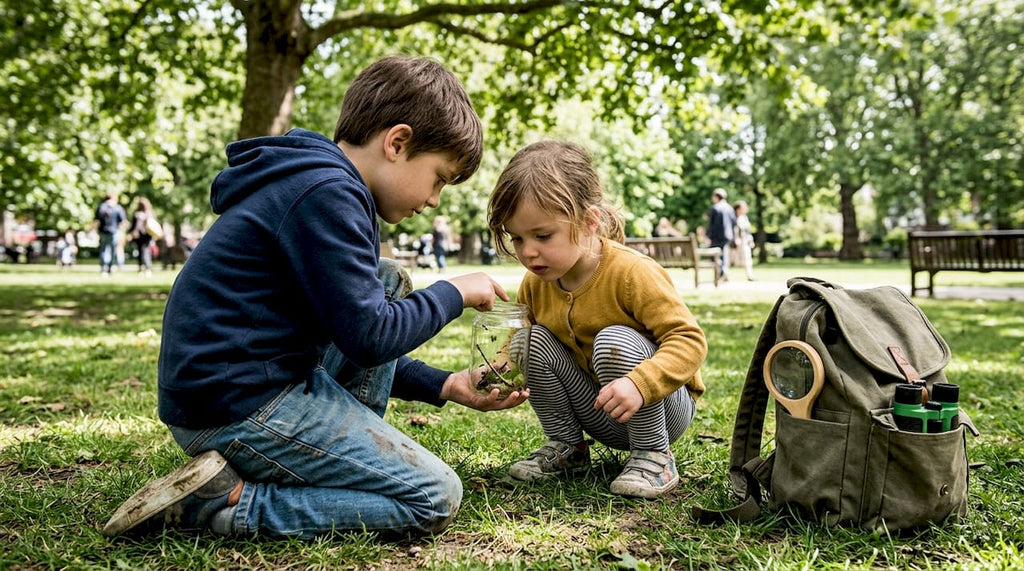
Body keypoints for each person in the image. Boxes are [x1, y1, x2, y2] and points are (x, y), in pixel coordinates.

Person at [102, 55, 529, 541]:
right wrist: (452, 293)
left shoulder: (322, 181)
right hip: (234, 404)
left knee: (385, 279)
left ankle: (326, 460)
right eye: (439, 178)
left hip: (244, 384)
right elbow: (370, 337)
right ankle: (224, 504)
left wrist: (445, 385)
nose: (434, 200)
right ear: (398, 142)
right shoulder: (327, 192)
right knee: (433, 496)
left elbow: (352, 330)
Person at [487, 141, 708, 498]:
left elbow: (690, 341)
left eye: (543, 236)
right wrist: (498, 367)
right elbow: (517, 344)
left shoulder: (631, 273)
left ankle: (654, 456)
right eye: (517, 238)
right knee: (531, 340)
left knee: (614, 342)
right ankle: (567, 448)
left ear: (590, 222)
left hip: (662, 409)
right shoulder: (536, 283)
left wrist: (640, 383)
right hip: (600, 409)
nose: (528, 252)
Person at [93, 192, 127, 276]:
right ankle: (109, 268)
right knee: (112, 251)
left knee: (103, 250)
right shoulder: (117, 208)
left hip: (102, 231)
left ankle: (103, 268)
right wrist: (121, 231)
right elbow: (123, 222)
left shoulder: (101, 207)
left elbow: (96, 221)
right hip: (113, 232)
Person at [705, 188, 736, 281]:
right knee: (723, 254)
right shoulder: (730, 208)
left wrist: (708, 236)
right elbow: (734, 222)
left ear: (716, 197)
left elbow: (711, 224)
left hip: (716, 236)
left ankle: (721, 272)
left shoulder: (715, 208)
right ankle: (724, 272)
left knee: (715, 256)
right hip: (727, 236)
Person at [129, 197, 156, 276]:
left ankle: (141, 268)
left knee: (141, 252)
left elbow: (133, 226)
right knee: (146, 251)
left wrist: (131, 233)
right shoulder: (149, 213)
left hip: (139, 235)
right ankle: (147, 268)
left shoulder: (137, 214)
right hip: (147, 235)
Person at [732, 200, 755, 281]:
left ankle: (750, 275)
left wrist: (751, 240)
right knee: (730, 260)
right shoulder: (733, 217)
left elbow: (748, 231)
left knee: (747, 258)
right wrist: (735, 239)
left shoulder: (744, 218)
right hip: (734, 242)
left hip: (744, 241)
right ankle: (725, 276)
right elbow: (733, 230)